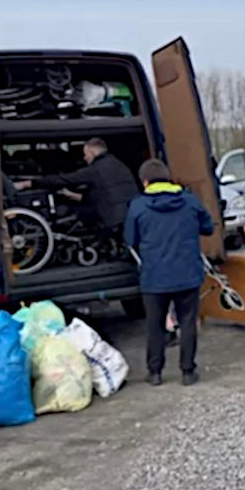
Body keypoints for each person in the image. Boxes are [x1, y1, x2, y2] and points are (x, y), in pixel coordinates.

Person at [124, 158, 214, 386]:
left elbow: (129, 239)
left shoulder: (138, 206)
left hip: (154, 277)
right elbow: (208, 227)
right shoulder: (190, 201)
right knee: (187, 322)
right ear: (169, 178)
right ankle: (188, 372)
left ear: (145, 182)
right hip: (187, 274)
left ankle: (155, 372)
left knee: (154, 324)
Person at [13, 138, 140, 238]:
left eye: (86, 154)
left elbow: (64, 179)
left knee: (77, 213)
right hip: (132, 214)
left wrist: (29, 183)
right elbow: (105, 193)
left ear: (93, 152)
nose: (85, 158)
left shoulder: (95, 170)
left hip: (114, 219)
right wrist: (73, 195)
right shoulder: (119, 164)